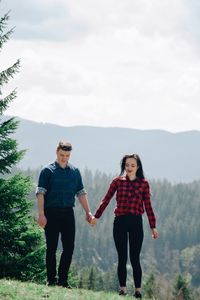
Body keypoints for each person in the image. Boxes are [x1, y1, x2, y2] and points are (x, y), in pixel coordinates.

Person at [91, 154, 158, 299]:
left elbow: (148, 206)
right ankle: (122, 289)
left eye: (133, 165)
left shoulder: (144, 184)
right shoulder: (117, 182)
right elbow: (106, 199)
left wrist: (153, 226)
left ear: (138, 167)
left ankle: (138, 291)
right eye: (127, 165)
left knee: (135, 258)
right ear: (124, 166)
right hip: (120, 222)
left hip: (136, 223)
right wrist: (96, 216)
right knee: (122, 257)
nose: (129, 168)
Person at [36, 140, 94, 287]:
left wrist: (88, 212)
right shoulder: (47, 171)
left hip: (68, 213)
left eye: (67, 155)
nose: (64, 158)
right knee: (51, 247)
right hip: (51, 212)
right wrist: (41, 214)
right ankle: (51, 279)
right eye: (62, 154)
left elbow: (81, 193)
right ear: (57, 152)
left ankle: (63, 280)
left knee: (69, 248)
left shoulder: (75, 172)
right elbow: (40, 193)